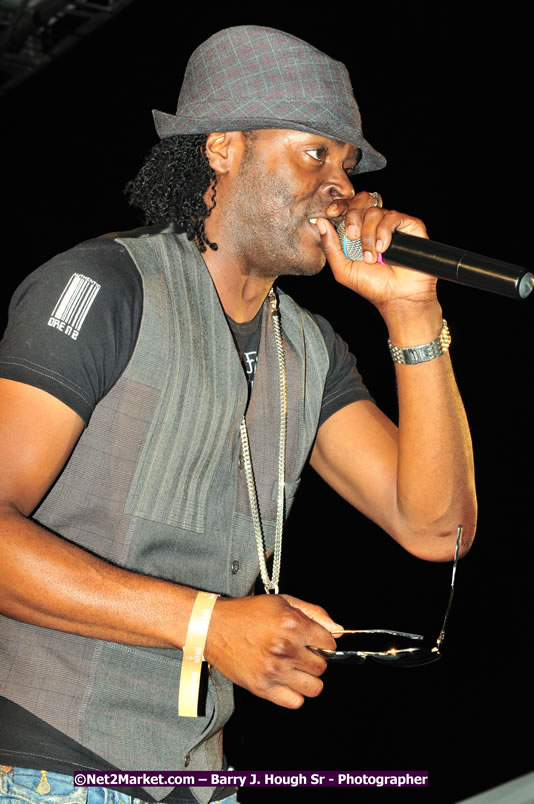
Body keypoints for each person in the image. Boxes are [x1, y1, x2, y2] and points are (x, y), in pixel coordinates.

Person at [0, 24, 477, 804]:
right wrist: (208, 623)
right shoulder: (107, 286)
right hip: (45, 763)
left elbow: (437, 528)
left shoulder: (308, 349)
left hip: (195, 780)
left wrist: (413, 315)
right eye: (314, 153)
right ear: (222, 149)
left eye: (347, 165)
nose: (341, 186)